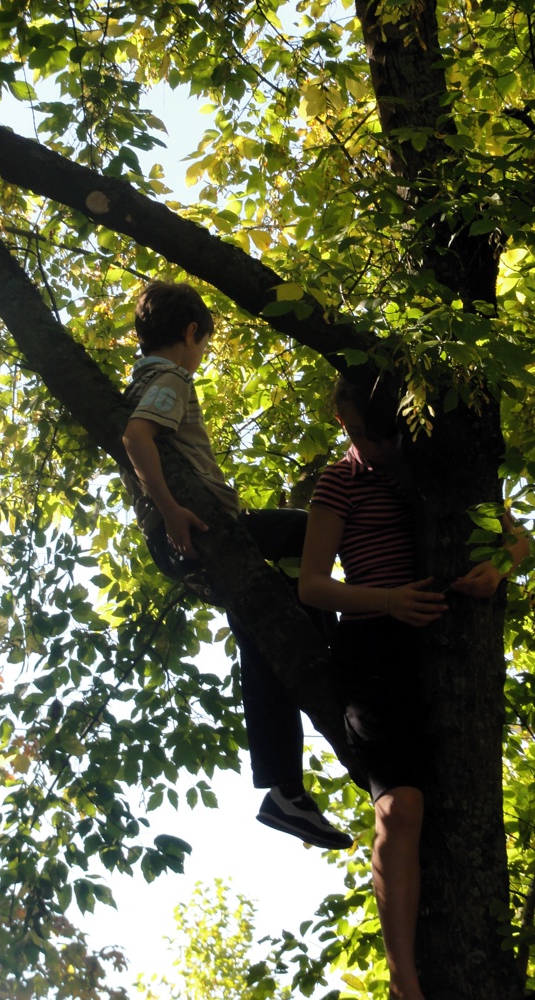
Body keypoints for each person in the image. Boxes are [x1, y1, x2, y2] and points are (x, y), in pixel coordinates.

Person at [298, 373, 531, 1000]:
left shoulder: (440, 469)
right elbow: (313, 585)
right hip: (375, 648)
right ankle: (404, 976)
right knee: (401, 807)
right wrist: (389, 601)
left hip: (447, 648)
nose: (360, 442)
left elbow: (520, 540)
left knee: (450, 806)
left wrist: (498, 568)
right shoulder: (339, 480)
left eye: (367, 431)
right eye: (350, 430)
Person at [120, 278, 351, 851]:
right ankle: (339, 651)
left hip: (191, 537)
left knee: (261, 624)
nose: (201, 357)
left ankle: (283, 791)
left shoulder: (139, 378)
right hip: (207, 528)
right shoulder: (170, 377)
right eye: (203, 345)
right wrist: (173, 511)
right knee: (314, 526)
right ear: (191, 333)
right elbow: (137, 436)